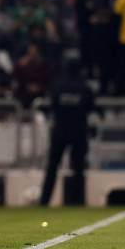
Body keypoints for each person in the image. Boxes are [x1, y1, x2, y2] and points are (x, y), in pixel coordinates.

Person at [40, 59, 94, 206]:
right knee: (79, 168)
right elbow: (90, 107)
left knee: (52, 167)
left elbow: (53, 105)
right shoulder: (84, 88)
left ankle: (44, 200)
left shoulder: (58, 86)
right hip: (79, 131)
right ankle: (78, 201)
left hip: (60, 131)